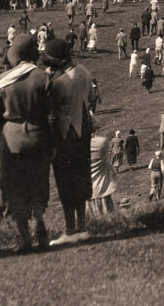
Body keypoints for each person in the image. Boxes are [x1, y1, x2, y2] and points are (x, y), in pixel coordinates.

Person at [0, 35, 53, 252]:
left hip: (12, 141)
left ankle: (24, 237)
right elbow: (51, 110)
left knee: (15, 188)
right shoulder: (43, 77)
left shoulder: (4, 79)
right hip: (39, 138)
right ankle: (41, 229)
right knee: (37, 185)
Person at [43, 39, 93, 246]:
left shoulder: (57, 82)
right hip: (83, 130)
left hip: (64, 135)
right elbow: (90, 97)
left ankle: (70, 229)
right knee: (81, 179)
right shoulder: (84, 72)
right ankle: (82, 227)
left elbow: (50, 111)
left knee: (65, 182)